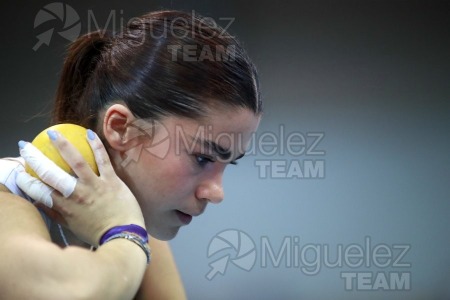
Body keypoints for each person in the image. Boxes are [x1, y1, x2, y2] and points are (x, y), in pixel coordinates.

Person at [0, 10, 262, 299]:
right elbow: (66, 292)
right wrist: (125, 233)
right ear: (122, 128)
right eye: (203, 158)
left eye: (229, 163)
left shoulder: (130, 224)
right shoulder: (7, 196)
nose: (216, 192)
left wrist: (125, 232)